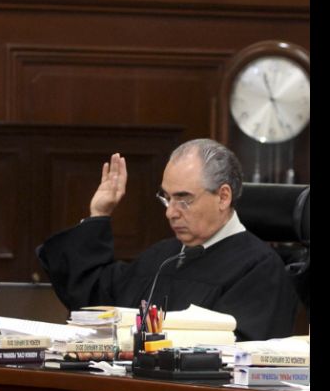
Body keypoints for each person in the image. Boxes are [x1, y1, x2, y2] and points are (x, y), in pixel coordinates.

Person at [37, 138, 297, 341]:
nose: (170, 212)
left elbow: (240, 354)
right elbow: (93, 300)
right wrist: (99, 214)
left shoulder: (259, 269)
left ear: (223, 197)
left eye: (183, 199)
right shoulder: (162, 257)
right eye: (167, 198)